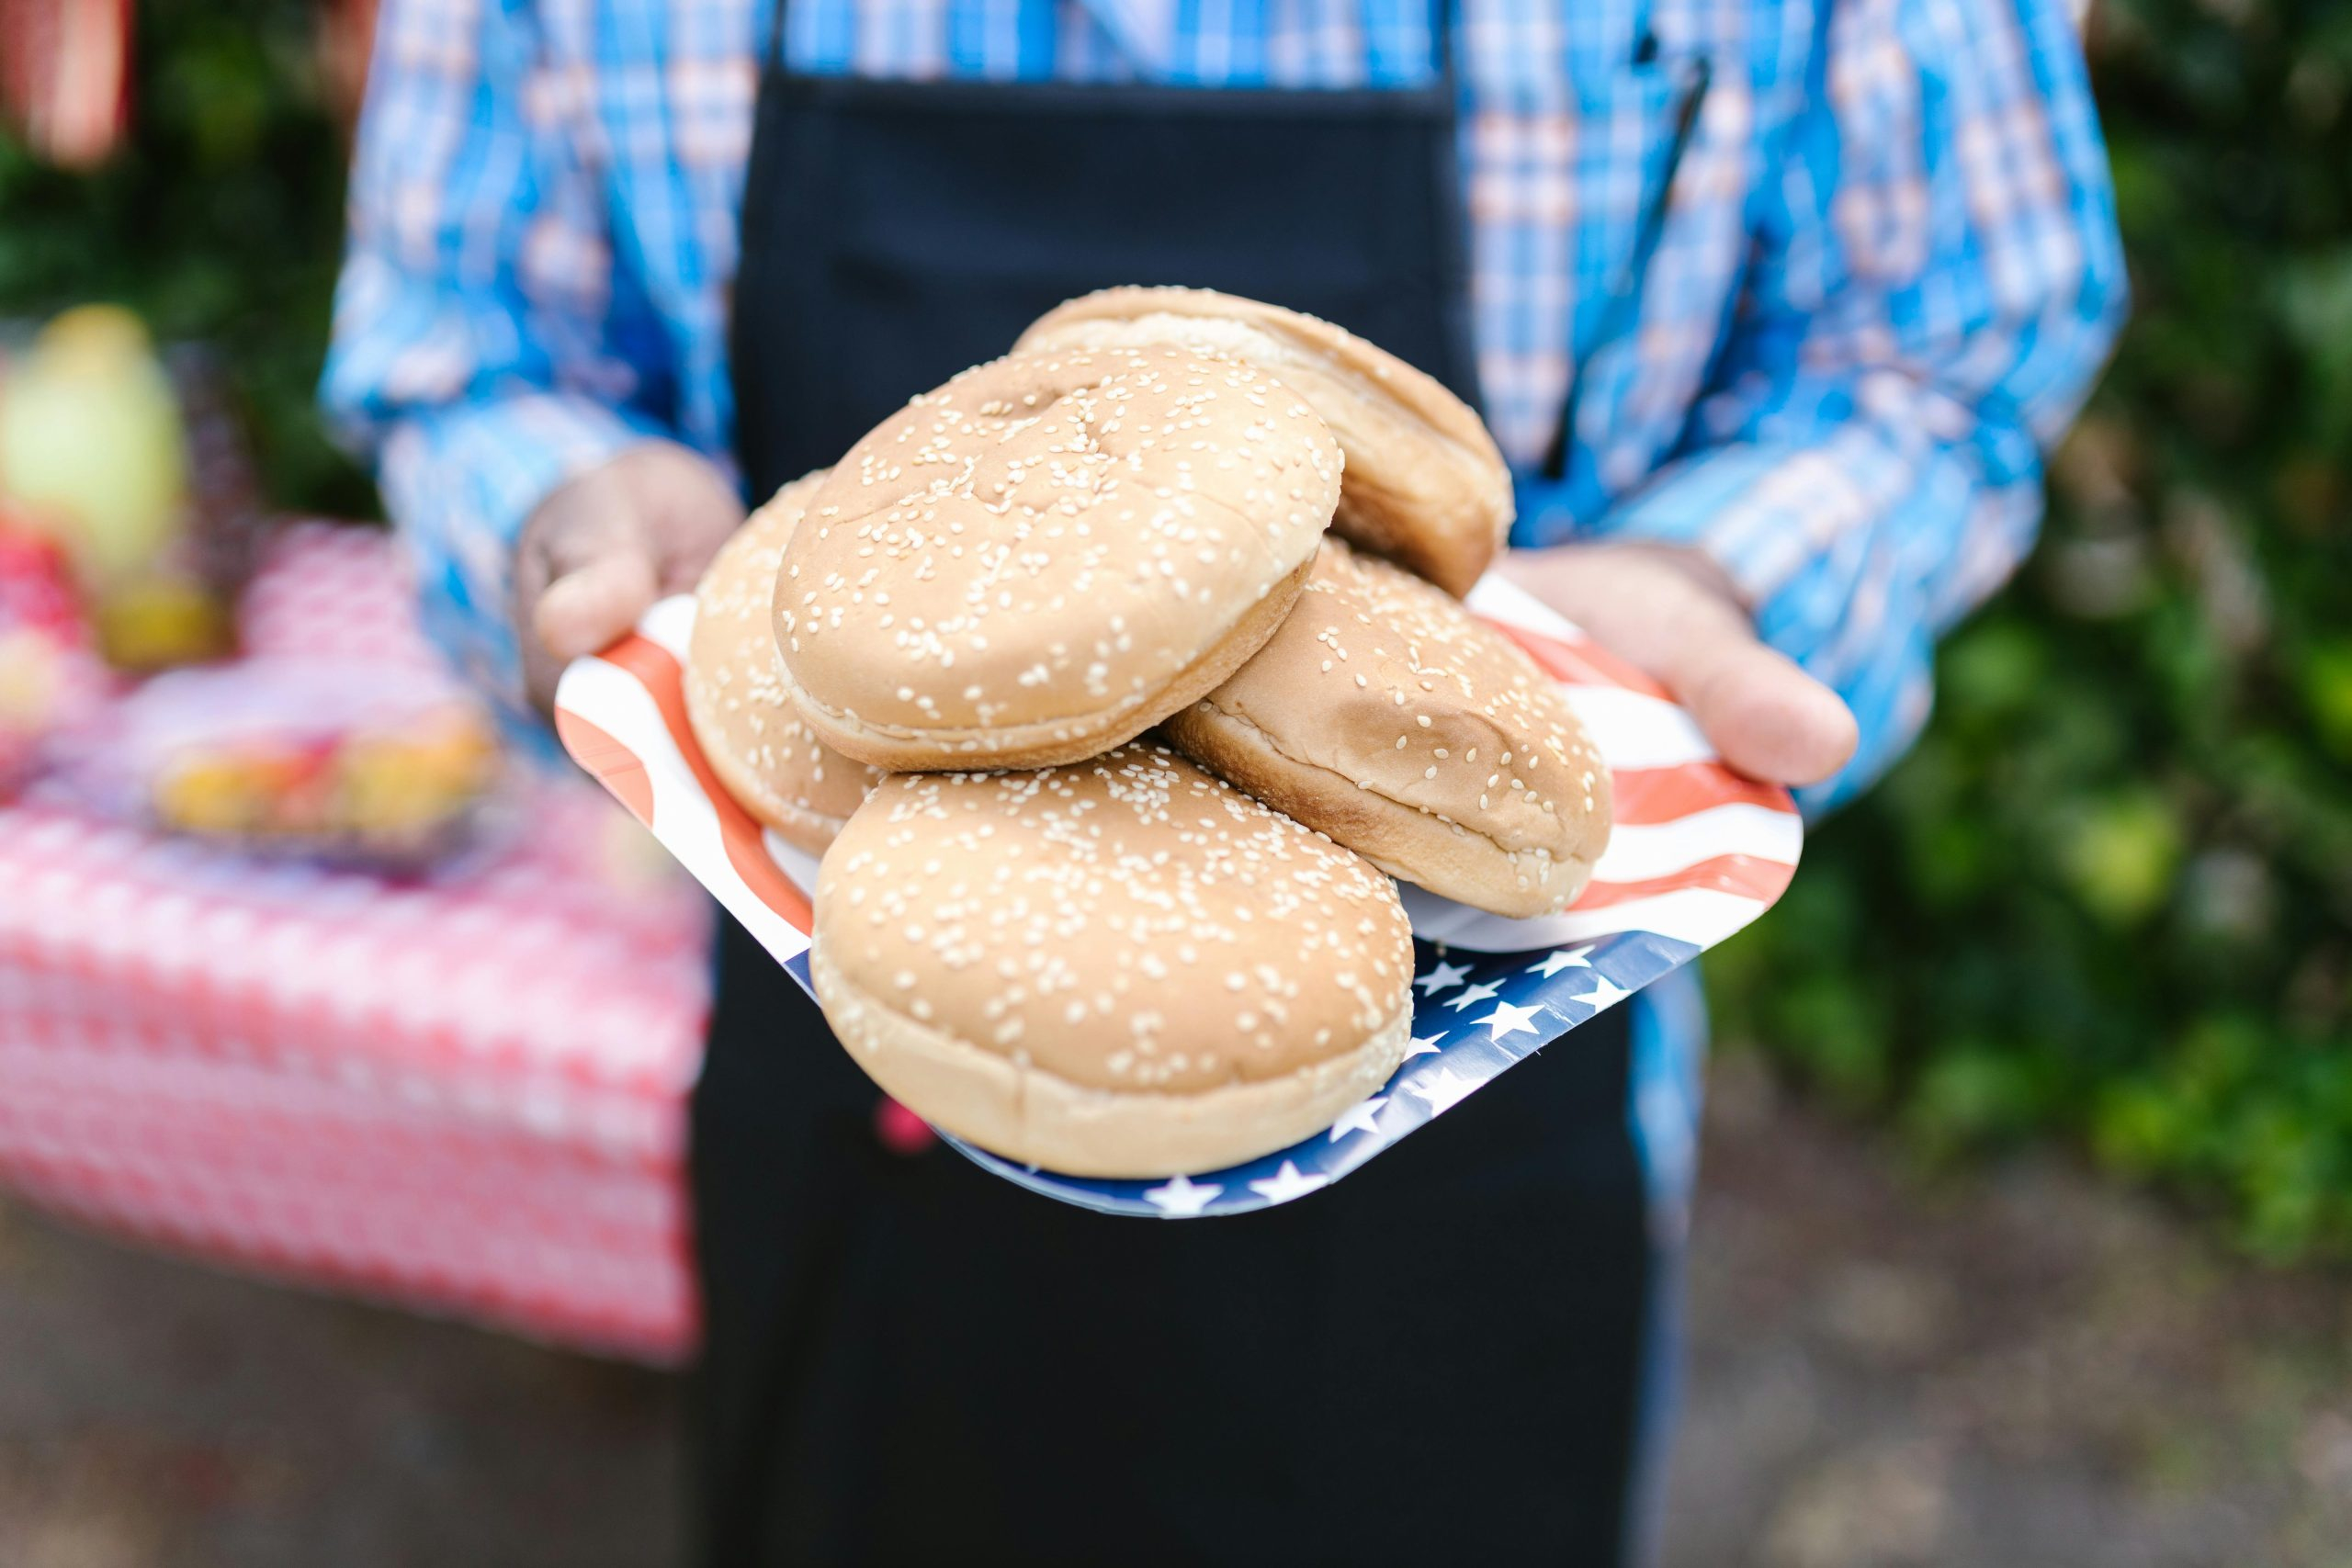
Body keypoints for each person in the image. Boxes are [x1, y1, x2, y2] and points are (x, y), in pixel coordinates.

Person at [322, 0, 2124, 1560]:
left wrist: (1715, 585)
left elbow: (1951, 324)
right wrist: (567, 532)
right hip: (847, 1044)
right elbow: (459, 341)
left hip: (1494, 1112)